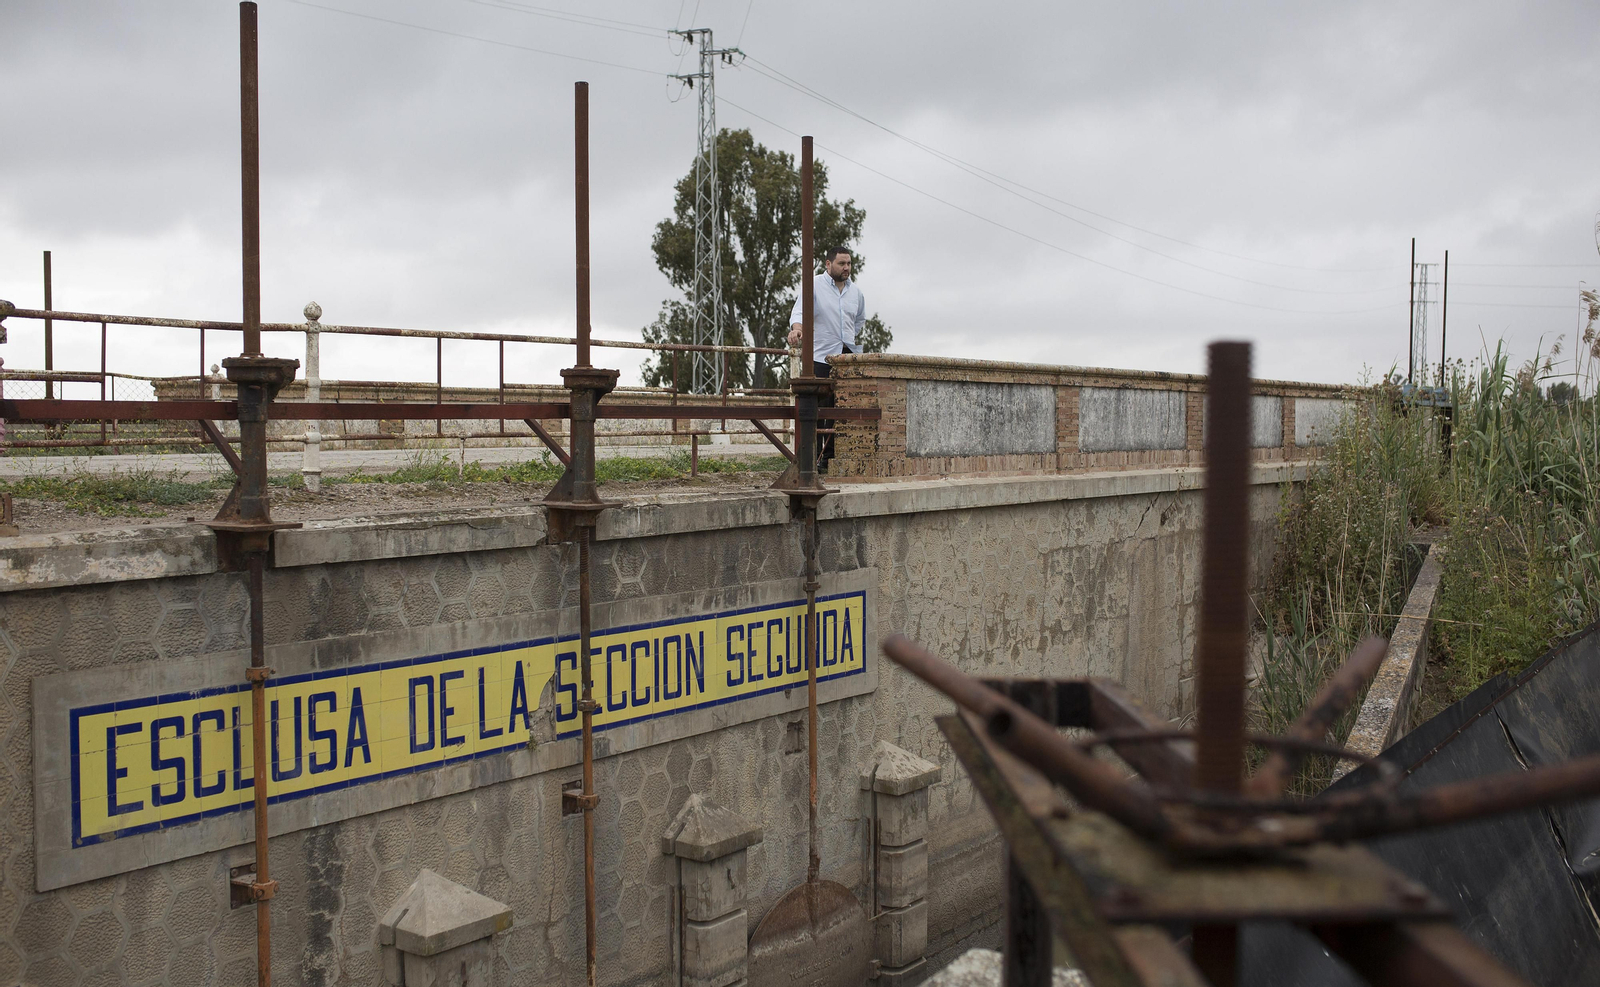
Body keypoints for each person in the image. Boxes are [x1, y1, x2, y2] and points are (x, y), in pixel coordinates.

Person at [786, 246, 864, 471]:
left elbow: (859, 320)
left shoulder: (856, 293)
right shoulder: (814, 285)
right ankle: (812, 460)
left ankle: (829, 460)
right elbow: (798, 312)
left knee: (842, 409)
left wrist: (848, 338)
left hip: (846, 358)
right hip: (821, 356)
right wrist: (797, 329)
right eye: (841, 263)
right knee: (818, 410)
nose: (846, 268)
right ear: (828, 264)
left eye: (849, 263)